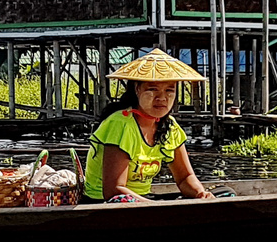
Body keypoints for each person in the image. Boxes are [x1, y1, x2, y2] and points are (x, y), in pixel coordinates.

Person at [83, 49, 215, 203]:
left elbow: (185, 177)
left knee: (227, 193)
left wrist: (201, 194)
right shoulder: (120, 124)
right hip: (106, 202)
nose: (162, 98)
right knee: (121, 199)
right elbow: (114, 190)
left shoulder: (169, 126)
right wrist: (155, 206)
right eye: (152, 90)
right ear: (137, 90)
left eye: (169, 90)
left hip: (145, 200)